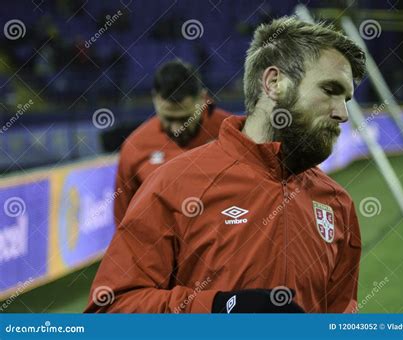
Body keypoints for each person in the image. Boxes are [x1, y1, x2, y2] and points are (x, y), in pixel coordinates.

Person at [85, 17, 366, 313]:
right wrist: (220, 308)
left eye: (346, 98)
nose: (343, 113)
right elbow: (110, 309)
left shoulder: (338, 205)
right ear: (274, 83)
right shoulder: (173, 184)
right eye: (330, 90)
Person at [114, 60, 231, 225]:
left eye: (185, 118)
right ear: (155, 99)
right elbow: (124, 221)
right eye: (168, 118)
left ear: (203, 99)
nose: (177, 128)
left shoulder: (232, 133)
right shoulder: (135, 146)